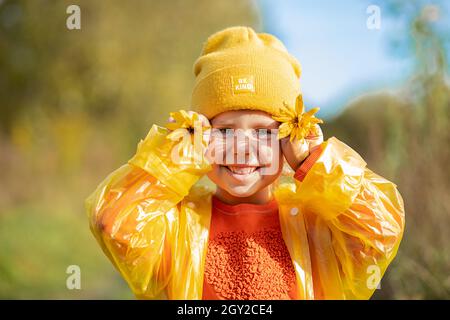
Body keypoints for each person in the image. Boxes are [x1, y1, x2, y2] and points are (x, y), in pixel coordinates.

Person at [85, 26, 405, 300]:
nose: (242, 148)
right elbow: (113, 224)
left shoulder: (313, 226)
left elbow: (380, 231)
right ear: (200, 134)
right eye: (224, 130)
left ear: (289, 138)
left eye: (265, 133)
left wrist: (314, 162)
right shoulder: (179, 225)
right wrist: (173, 157)